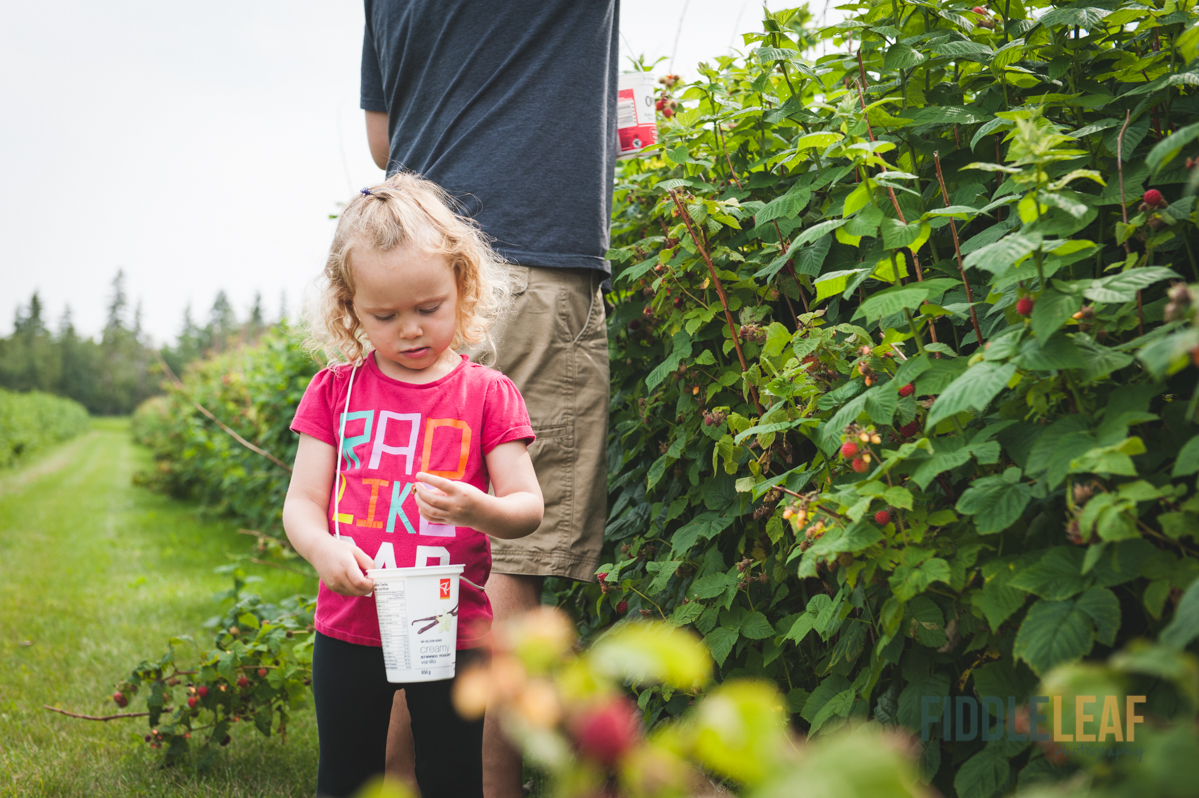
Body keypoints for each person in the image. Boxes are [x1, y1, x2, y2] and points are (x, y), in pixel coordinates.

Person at [359, 2, 619, 794]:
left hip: (421, 272)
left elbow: (383, 139)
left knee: (433, 560)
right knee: (512, 564)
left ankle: (399, 781)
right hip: (535, 264)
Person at [282, 172, 544, 798]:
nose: (410, 330)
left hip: (451, 632)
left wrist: (481, 508)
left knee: (452, 776)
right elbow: (303, 504)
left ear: (463, 284)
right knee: (346, 776)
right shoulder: (336, 392)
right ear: (350, 310)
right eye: (385, 315)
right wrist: (323, 550)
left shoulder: (487, 394)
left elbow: (527, 508)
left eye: (429, 308)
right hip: (348, 625)